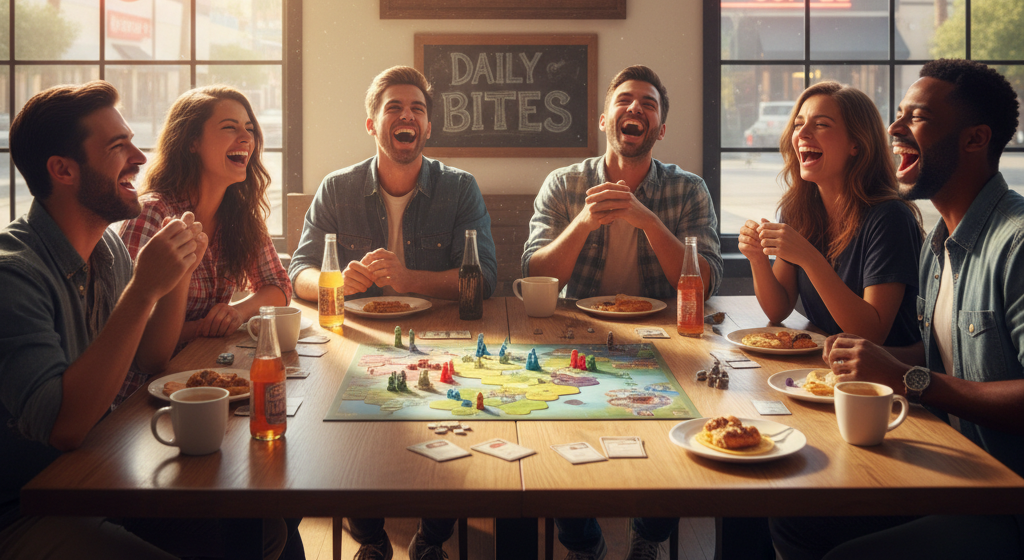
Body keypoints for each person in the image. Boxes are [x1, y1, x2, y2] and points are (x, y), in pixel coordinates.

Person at [770, 59, 1024, 560]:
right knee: (787, 511)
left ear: (975, 139)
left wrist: (908, 378)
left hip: (1003, 497)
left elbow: (924, 377)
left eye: (919, 117)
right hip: (947, 463)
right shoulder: (938, 244)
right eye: (900, 113)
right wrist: (870, 359)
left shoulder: (1015, 243)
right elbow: (938, 357)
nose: (893, 127)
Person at [288, 65, 497, 560]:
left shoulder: (460, 188)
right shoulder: (336, 188)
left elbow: (484, 278)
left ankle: (431, 539)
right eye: (394, 108)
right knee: (348, 426)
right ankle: (372, 540)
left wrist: (411, 279)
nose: (407, 117)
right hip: (355, 340)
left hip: (441, 339)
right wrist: (334, 282)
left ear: (428, 127)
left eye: (417, 109)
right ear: (371, 123)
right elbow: (298, 272)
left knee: (453, 420)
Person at [522, 65, 722, 560]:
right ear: (604, 119)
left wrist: (648, 220)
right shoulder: (564, 183)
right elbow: (534, 276)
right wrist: (584, 222)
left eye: (648, 104)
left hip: (668, 344)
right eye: (625, 100)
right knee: (557, 428)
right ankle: (583, 542)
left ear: (660, 128)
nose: (636, 108)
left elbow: (707, 280)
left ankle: (648, 536)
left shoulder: (688, 189)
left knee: (680, 431)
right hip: (576, 336)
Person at [0, 82, 207, 559]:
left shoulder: (108, 248)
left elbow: (151, 358)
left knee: (258, 528)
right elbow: (65, 427)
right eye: (118, 147)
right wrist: (144, 290)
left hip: (100, 479)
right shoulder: (13, 276)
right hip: (26, 510)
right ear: (63, 170)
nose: (140, 157)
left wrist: (178, 272)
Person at [117, 86, 292, 405]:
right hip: (142, 396)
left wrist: (237, 312)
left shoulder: (240, 214)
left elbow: (279, 285)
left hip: (204, 377)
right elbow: (127, 331)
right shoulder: (153, 213)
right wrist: (202, 327)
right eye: (230, 127)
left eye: (249, 129)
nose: (246, 138)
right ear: (191, 142)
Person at [738, 82, 922, 346]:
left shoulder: (890, 218)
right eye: (798, 124)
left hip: (885, 370)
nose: (802, 133)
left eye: (821, 124)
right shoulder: (797, 210)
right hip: (826, 362)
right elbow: (778, 310)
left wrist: (809, 257)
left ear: (856, 144)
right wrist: (757, 258)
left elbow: (871, 334)